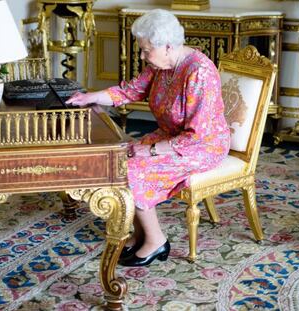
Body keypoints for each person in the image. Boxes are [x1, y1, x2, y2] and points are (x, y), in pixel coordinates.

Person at [66, 9, 230, 267]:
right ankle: (141, 233)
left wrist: (151, 151)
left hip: (201, 146)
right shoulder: (161, 64)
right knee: (118, 159)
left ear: (167, 46)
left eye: (146, 50)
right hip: (170, 136)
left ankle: (156, 241)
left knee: (133, 169)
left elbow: (197, 136)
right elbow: (132, 90)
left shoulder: (200, 73)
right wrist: (91, 97)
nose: (142, 56)